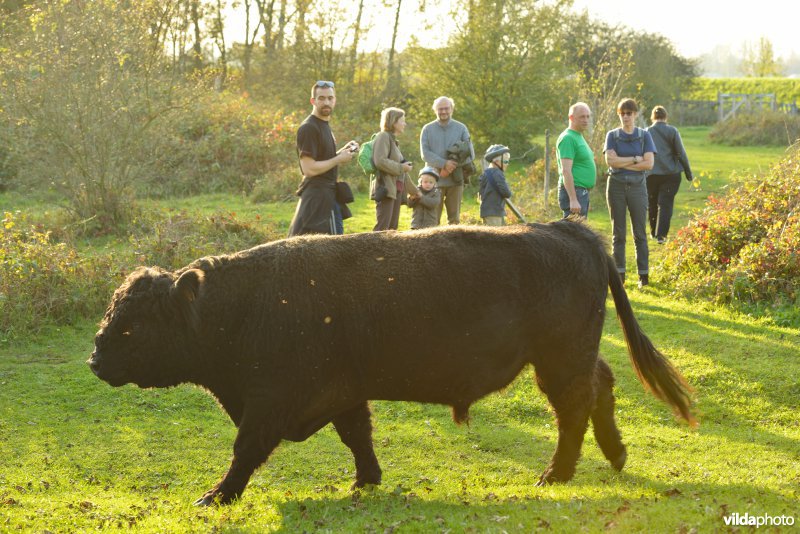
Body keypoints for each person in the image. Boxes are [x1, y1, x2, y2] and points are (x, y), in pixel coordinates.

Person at [288, 81, 359, 237]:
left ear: (334, 100)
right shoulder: (309, 128)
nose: (326, 102)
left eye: (330, 98)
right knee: (328, 254)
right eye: (321, 98)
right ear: (313, 101)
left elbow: (322, 159)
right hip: (318, 202)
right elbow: (309, 169)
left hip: (327, 197)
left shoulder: (324, 125)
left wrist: (342, 152)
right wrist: (338, 159)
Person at [604, 98, 656, 287]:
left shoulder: (644, 136)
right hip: (616, 186)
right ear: (619, 115)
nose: (626, 116)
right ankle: (620, 275)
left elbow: (649, 163)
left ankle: (643, 275)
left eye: (629, 113)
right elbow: (610, 162)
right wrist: (635, 159)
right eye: (622, 113)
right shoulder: (612, 135)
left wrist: (622, 161)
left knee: (640, 232)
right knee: (618, 233)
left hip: (637, 188)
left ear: (635, 114)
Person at [419, 96, 474, 225]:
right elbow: (425, 154)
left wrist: (450, 167)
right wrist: (444, 164)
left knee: (454, 221)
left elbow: (470, 153)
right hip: (432, 181)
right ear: (435, 110)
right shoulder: (427, 129)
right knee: (432, 220)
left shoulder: (461, 128)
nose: (443, 111)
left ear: (452, 109)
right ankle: (431, 245)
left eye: (446, 108)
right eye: (440, 109)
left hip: (455, 180)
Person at [645, 105, 694, 244]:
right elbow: (681, 153)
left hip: (651, 173)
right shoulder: (672, 131)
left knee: (652, 203)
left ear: (652, 117)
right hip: (671, 174)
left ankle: (653, 232)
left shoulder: (646, 131)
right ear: (666, 117)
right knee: (665, 204)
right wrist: (688, 173)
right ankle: (661, 236)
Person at [371, 107, 419, 231]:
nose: (405, 124)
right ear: (393, 121)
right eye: (402, 120)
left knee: (392, 229)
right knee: (382, 229)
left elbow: (402, 172)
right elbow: (380, 161)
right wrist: (401, 167)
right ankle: (373, 251)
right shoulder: (383, 137)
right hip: (386, 189)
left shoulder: (394, 141)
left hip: (395, 190)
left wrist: (414, 191)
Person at [556, 102, 596, 218]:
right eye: (582, 116)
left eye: (588, 116)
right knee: (573, 234)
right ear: (571, 118)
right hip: (574, 192)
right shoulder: (568, 138)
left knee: (578, 232)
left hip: (581, 192)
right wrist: (573, 199)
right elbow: (566, 171)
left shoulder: (578, 136)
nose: (586, 120)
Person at [478, 144, 513, 226]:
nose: (507, 164)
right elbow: (506, 193)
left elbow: (481, 192)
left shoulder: (485, 173)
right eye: (505, 161)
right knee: (497, 237)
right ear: (496, 161)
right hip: (495, 212)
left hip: (486, 212)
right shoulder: (498, 173)